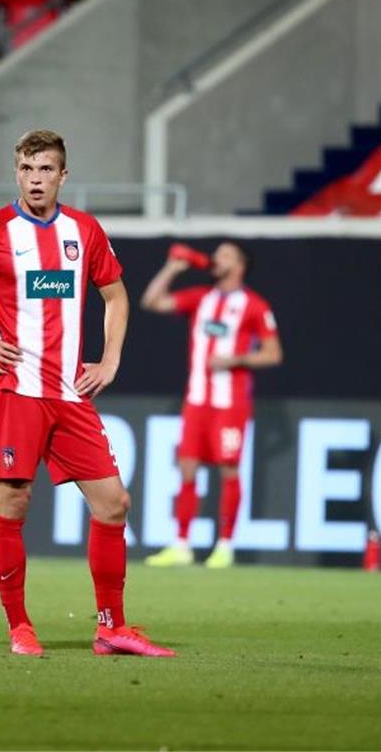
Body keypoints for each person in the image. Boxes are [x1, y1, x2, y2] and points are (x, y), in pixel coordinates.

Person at [0, 129, 174, 658]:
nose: (36, 180)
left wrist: (111, 359)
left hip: (70, 392)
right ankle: (19, 627)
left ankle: (111, 627)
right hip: (17, 390)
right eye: (27, 170)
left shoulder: (84, 230)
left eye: (46, 170)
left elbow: (116, 296)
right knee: (13, 500)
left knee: (113, 504)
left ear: (63, 175)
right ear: (17, 173)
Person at [140, 241, 283, 568]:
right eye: (217, 254)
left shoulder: (254, 305)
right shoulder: (202, 298)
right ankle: (182, 544)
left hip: (230, 403)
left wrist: (236, 359)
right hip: (197, 400)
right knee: (188, 468)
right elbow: (151, 301)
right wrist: (172, 269)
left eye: (226, 255)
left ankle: (225, 545)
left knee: (229, 468)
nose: (217, 259)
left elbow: (274, 354)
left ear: (240, 266)